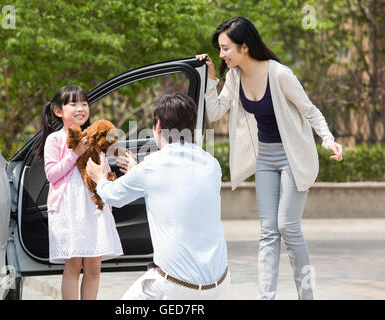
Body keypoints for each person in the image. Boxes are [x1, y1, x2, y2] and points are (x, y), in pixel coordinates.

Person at [196, 16, 343, 300]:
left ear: (245, 47)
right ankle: (266, 297)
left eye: (226, 48)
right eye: (220, 49)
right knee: (267, 232)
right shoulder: (235, 76)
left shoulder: (279, 74)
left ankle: (307, 295)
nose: (222, 54)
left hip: (292, 158)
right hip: (265, 158)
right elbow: (214, 112)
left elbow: (310, 110)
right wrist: (210, 78)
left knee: (288, 227)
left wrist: (328, 139)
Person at [86, 93, 230, 300]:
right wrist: (138, 171)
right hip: (220, 284)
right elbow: (177, 186)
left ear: (159, 127)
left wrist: (100, 178)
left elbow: (113, 196)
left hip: (176, 286)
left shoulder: (152, 166)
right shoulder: (211, 163)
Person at [32, 85, 123, 300]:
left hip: (93, 207)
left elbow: (101, 172)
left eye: (84, 103)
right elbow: (52, 174)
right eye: (73, 104)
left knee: (94, 267)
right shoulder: (55, 139)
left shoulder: (93, 138)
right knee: (73, 265)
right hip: (69, 208)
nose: (81, 108)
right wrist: (75, 153)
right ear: (58, 111)